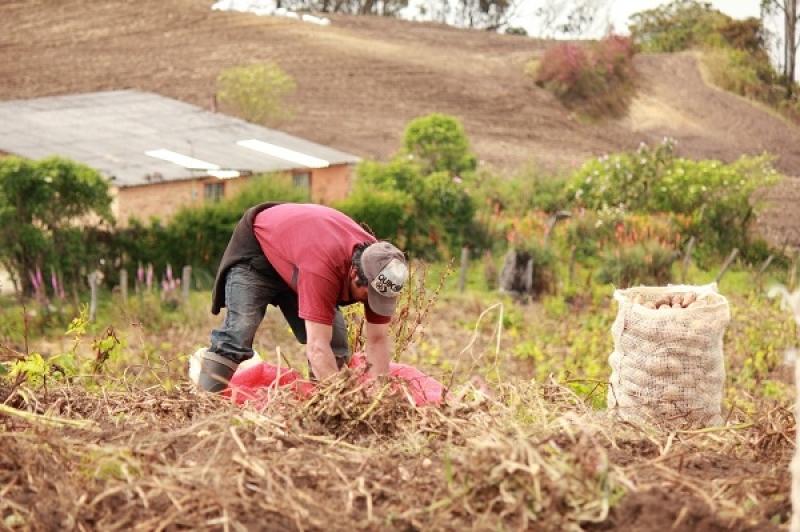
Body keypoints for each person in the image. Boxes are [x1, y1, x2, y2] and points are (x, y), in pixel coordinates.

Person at [194, 202, 409, 392]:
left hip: (300, 257)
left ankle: (323, 413)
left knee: (336, 342)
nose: (373, 303)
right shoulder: (323, 266)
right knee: (240, 331)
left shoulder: (384, 268)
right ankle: (203, 404)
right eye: (369, 296)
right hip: (259, 253)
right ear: (354, 274)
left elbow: (378, 339)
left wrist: (381, 395)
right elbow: (316, 346)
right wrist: (342, 403)